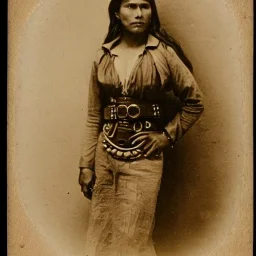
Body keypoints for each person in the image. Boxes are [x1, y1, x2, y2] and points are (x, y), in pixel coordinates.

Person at [78, 0, 204, 255]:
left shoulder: (163, 53)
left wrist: (166, 136)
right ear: (116, 12)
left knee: (133, 239)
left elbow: (195, 102)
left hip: (144, 158)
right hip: (105, 156)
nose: (138, 13)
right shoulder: (103, 55)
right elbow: (94, 116)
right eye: (130, 6)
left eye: (145, 6)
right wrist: (86, 164)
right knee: (100, 236)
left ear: (151, 12)